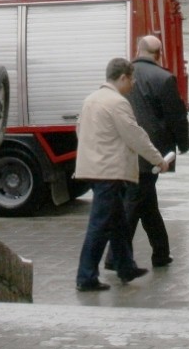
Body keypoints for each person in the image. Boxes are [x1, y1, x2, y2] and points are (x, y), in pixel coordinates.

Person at [73, 58, 172, 291]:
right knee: (99, 226)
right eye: (131, 79)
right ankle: (85, 277)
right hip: (108, 171)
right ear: (123, 78)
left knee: (118, 223)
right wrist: (158, 159)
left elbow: (80, 129)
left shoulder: (92, 99)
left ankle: (125, 267)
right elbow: (135, 135)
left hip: (93, 168)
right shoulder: (117, 103)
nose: (133, 83)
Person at [124, 35, 189, 268]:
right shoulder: (163, 78)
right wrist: (183, 144)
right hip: (151, 153)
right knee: (136, 202)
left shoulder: (123, 76)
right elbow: (176, 117)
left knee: (146, 202)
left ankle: (161, 253)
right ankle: (116, 257)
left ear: (138, 49)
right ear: (159, 54)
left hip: (125, 148)